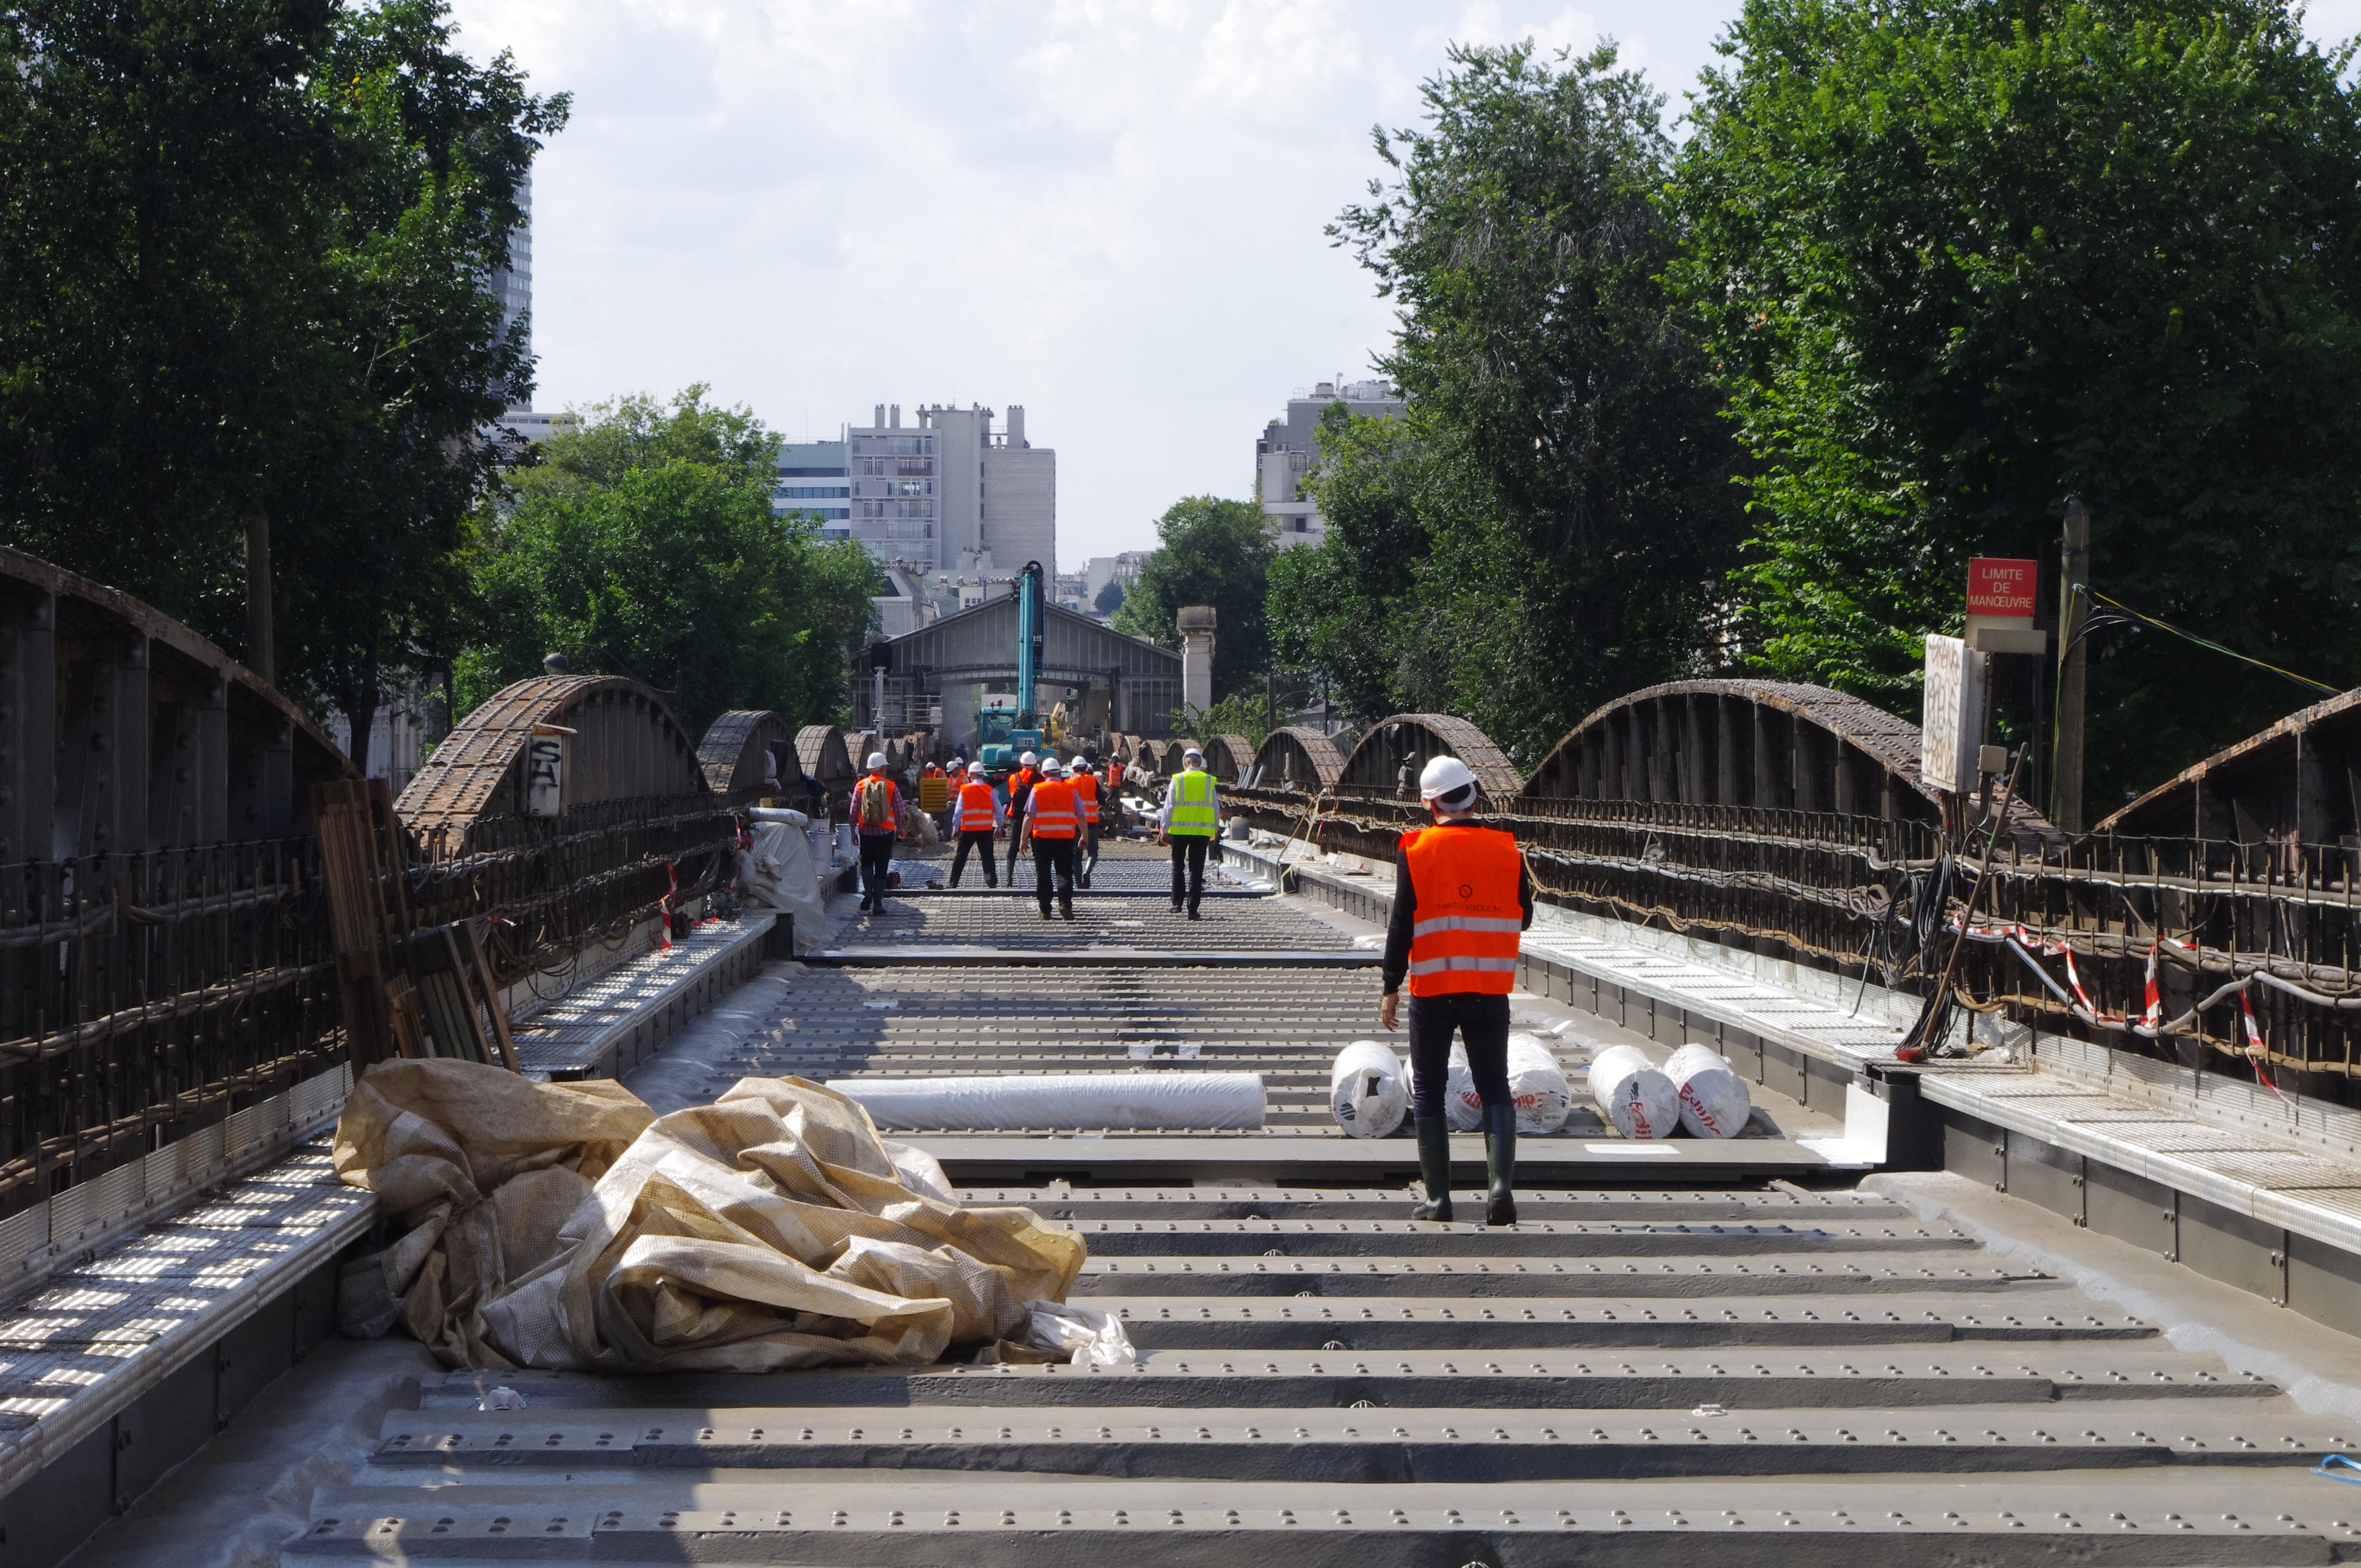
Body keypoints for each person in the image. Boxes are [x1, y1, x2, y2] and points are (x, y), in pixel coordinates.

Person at [1379, 755, 1535, 1227]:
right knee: (1494, 1086)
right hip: (1489, 988)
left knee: (1429, 1089)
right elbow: (1524, 916)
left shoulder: (1416, 848)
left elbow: (1401, 923)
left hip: (1434, 988)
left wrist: (1390, 986)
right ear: (1472, 795)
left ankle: (1439, 1200)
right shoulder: (1508, 850)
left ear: (1430, 803)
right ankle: (1500, 1190)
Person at [1158, 747, 1219, 919]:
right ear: (1200, 764)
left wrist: (1164, 829)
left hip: (1178, 831)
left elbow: (1169, 806)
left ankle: (1177, 905)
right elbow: (1216, 806)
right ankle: (1193, 910)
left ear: (1186, 763)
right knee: (1197, 870)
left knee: (1178, 867)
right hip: (1201, 832)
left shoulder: (1177, 779)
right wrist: (1215, 827)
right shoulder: (1208, 780)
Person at [1020, 755, 1080, 919]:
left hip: (1042, 839)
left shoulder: (1037, 789)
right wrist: (1085, 836)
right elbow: (1081, 815)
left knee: (1044, 874)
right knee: (1065, 873)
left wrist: (1023, 840)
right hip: (1066, 838)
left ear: (1045, 774)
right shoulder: (1070, 789)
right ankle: (1065, 905)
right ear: (1060, 773)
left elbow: (1029, 817)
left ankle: (1045, 910)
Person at [852, 752, 903, 915]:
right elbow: (900, 809)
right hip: (885, 833)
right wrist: (900, 827)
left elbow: (853, 811)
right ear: (881, 768)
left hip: (866, 832)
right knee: (881, 867)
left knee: (867, 864)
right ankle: (878, 904)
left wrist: (853, 832)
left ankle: (868, 893)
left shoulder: (860, 785)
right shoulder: (890, 786)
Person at [948, 760, 1000, 889]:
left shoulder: (965, 790)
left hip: (968, 830)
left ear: (970, 775)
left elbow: (958, 811)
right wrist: (999, 828)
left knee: (961, 857)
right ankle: (991, 882)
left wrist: (955, 828)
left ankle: (953, 883)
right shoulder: (990, 790)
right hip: (985, 830)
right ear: (982, 775)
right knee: (988, 857)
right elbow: (999, 811)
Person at [1003, 749, 1040, 886]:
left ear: (1022, 764)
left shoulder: (1013, 778)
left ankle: (1009, 881)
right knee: (1037, 850)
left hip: (1017, 816)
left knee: (1013, 847)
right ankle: (1040, 879)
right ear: (1035, 764)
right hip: (1034, 817)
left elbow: (1012, 794)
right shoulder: (1039, 778)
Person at [1070, 754, 1102, 889]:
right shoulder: (1093, 781)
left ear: (1073, 769)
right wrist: (1094, 808)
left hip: (1075, 823)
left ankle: (1078, 884)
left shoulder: (1069, 783)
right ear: (1085, 768)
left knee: (1076, 856)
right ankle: (1087, 874)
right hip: (1092, 822)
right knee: (1093, 852)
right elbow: (1102, 801)